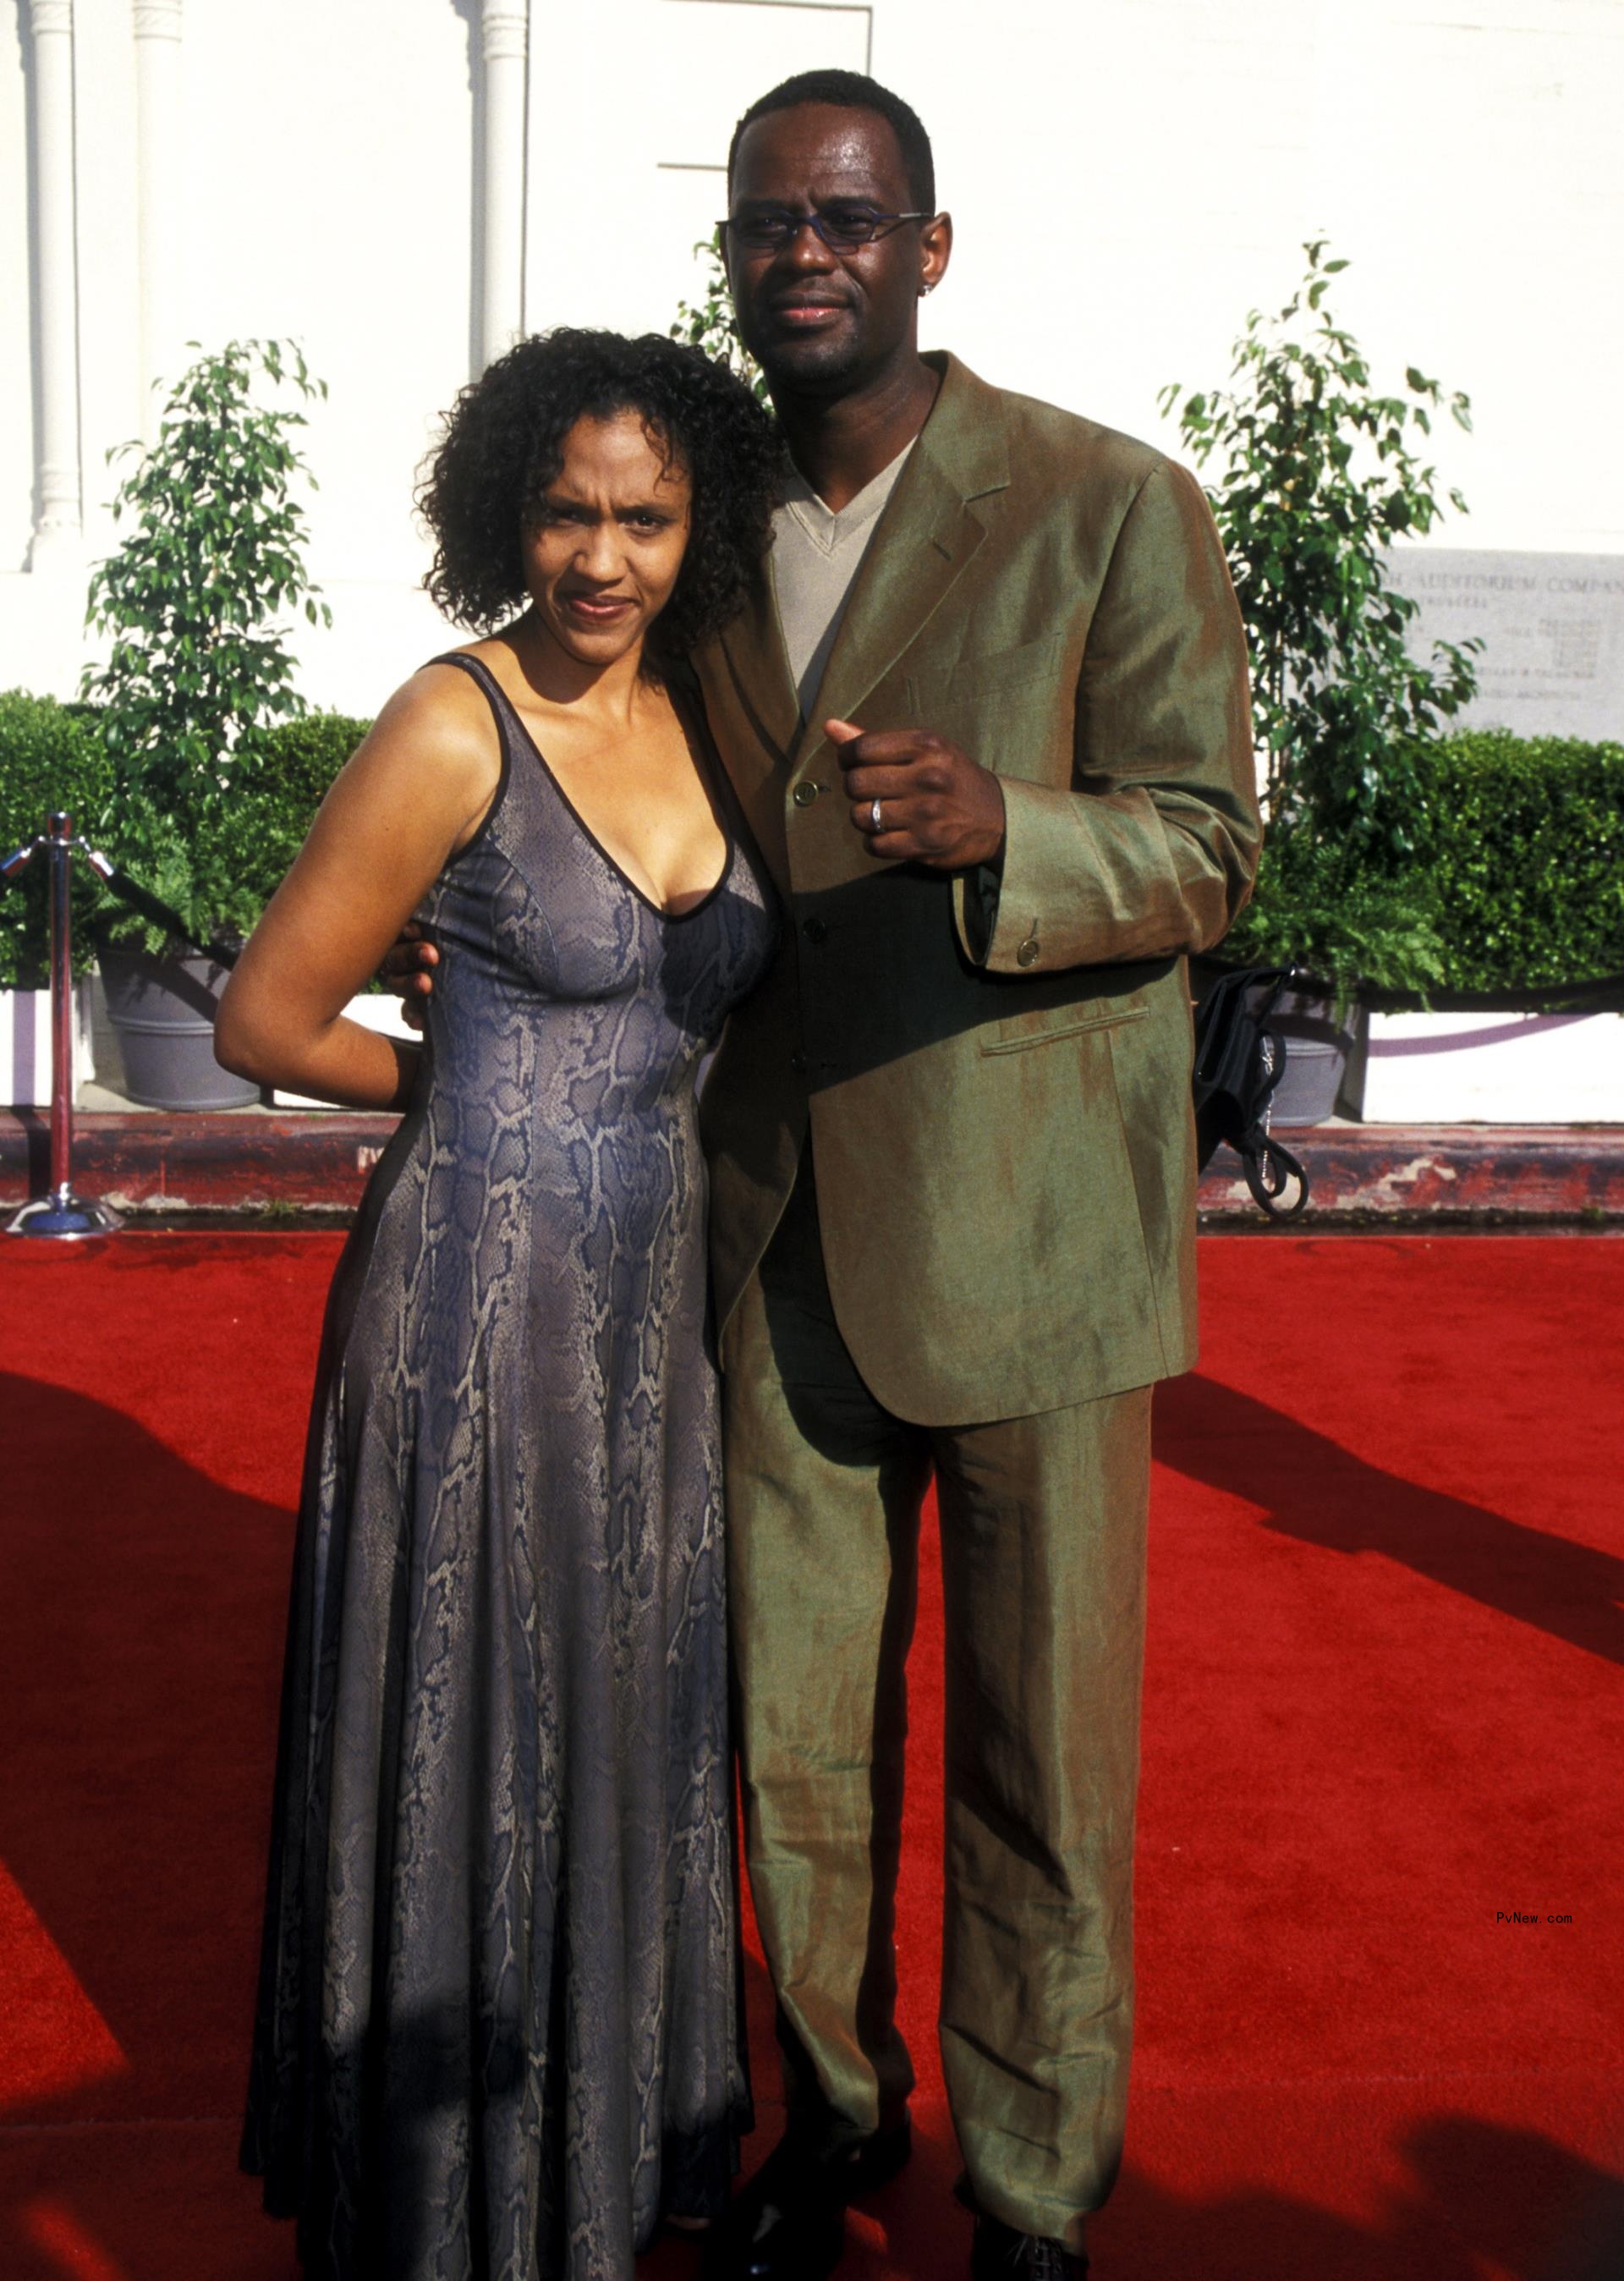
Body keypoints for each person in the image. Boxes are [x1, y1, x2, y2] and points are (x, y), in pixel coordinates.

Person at [392, 68, 1261, 2281]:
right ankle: (834, 2111)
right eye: (773, 218)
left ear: (930, 249)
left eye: (853, 219)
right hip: (768, 1233)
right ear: (736, 252)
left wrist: (1011, 832)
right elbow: (591, 749)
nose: (809, 250)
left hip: (1041, 1252)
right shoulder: (699, 518)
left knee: (1039, 1777)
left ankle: (1038, 2197)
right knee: (790, 1743)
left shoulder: (1104, 505)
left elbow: (1212, 846)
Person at [215, 329, 783, 2280]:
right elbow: (264, 1020)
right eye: (566, 509)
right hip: (469, 1302)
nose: (601, 555)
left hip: (651, 1322)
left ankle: (590, 2166)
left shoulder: (711, 714)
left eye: (642, 514)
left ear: (697, 526)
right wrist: (452, 1079)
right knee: (475, 1721)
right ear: (506, 515)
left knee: (617, 1717)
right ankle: (448, 2207)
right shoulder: (454, 723)